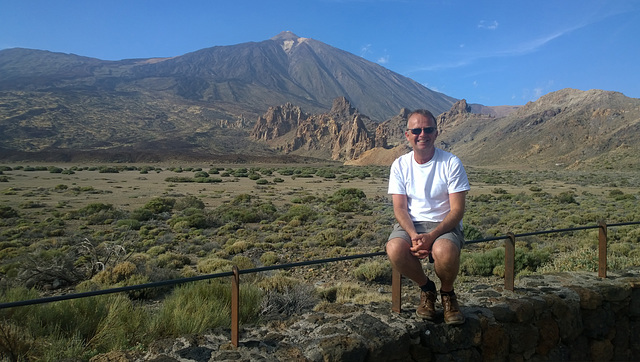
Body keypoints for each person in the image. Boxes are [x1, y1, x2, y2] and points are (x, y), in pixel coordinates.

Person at [386, 109, 470, 325]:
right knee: (394, 248)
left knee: (445, 250)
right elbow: (400, 208)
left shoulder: (451, 163)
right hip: (411, 224)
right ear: (407, 135)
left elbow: (457, 210)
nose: (422, 134)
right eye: (416, 130)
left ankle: (448, 294)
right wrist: (414, 235)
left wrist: (432, 236)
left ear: (436, 132)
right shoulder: (400, 165)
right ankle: (427, 289)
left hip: (443, 225)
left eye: (428, 129)